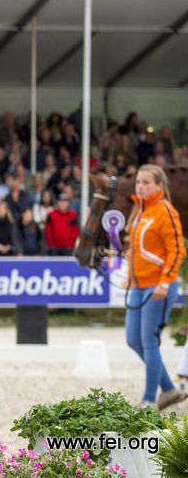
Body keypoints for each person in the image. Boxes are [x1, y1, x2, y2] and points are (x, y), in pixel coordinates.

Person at [123, 165, 185, 410]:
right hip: (138, 286)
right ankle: (168, 389)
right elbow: (135, 251)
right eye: (138, 182)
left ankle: (150, 399)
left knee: (149, 341)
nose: (141, 186)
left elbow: (177, 249)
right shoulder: (138, 212)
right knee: (132, 339)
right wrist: (130, 276)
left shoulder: (165, 211)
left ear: (159, 186)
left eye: (146, 182)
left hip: (158, 286)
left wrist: (164, 281)